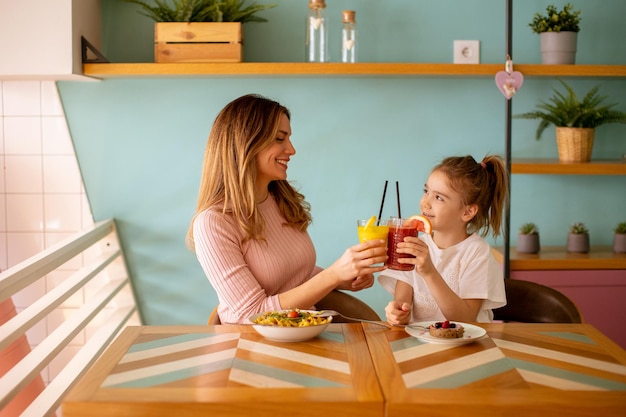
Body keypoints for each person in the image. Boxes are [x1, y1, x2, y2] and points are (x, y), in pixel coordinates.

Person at [187, 94, 387, 324]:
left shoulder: (280, 199)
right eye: (279, 139)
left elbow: (294, 276)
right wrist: (332, 276)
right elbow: (251, 314)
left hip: (302, 333)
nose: (291, 150)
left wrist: (344, 277)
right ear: (247, 144)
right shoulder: (213, 223)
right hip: (250, 346)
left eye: (289, 139)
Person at [380, 155, 508, 325]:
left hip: (469, 347)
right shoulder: (414, 245)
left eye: (439, 197)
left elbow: (466, 319)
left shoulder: (477, 252)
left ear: (467, 212)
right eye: (426, 191)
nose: (426, 203)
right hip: (422, 345)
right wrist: (397, 313)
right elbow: (402, 303)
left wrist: (429, 272)